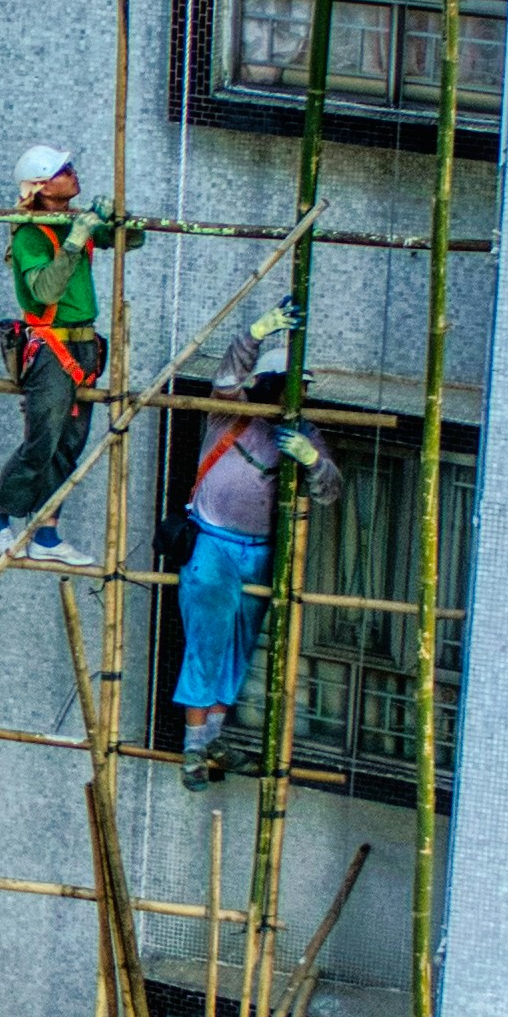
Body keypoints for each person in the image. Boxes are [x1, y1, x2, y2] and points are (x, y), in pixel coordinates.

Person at [175, 313, 342, 786]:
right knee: (206, 639)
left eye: (301, 387)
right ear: (267, 382)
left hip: (262, 550)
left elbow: (330, 490)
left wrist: (311, 462)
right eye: (288, 385)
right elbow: (225, 376)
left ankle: (213, 738)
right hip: (213, 541)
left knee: (239, 645)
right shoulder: (232, 411)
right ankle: (192, 747)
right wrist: (254, 333)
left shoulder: (302, 433)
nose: (296, 394)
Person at [0, 147, 141, 559]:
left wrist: (115, 216)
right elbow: (45, 291)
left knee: (69, 443)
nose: (73, 174)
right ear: (41, 186)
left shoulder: (76, 222)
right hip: (51, 346)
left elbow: (132, 240)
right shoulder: (31, 232)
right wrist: (73, 242)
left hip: (83, 344)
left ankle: (46, 534)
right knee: (42, 440)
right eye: (62, 171)